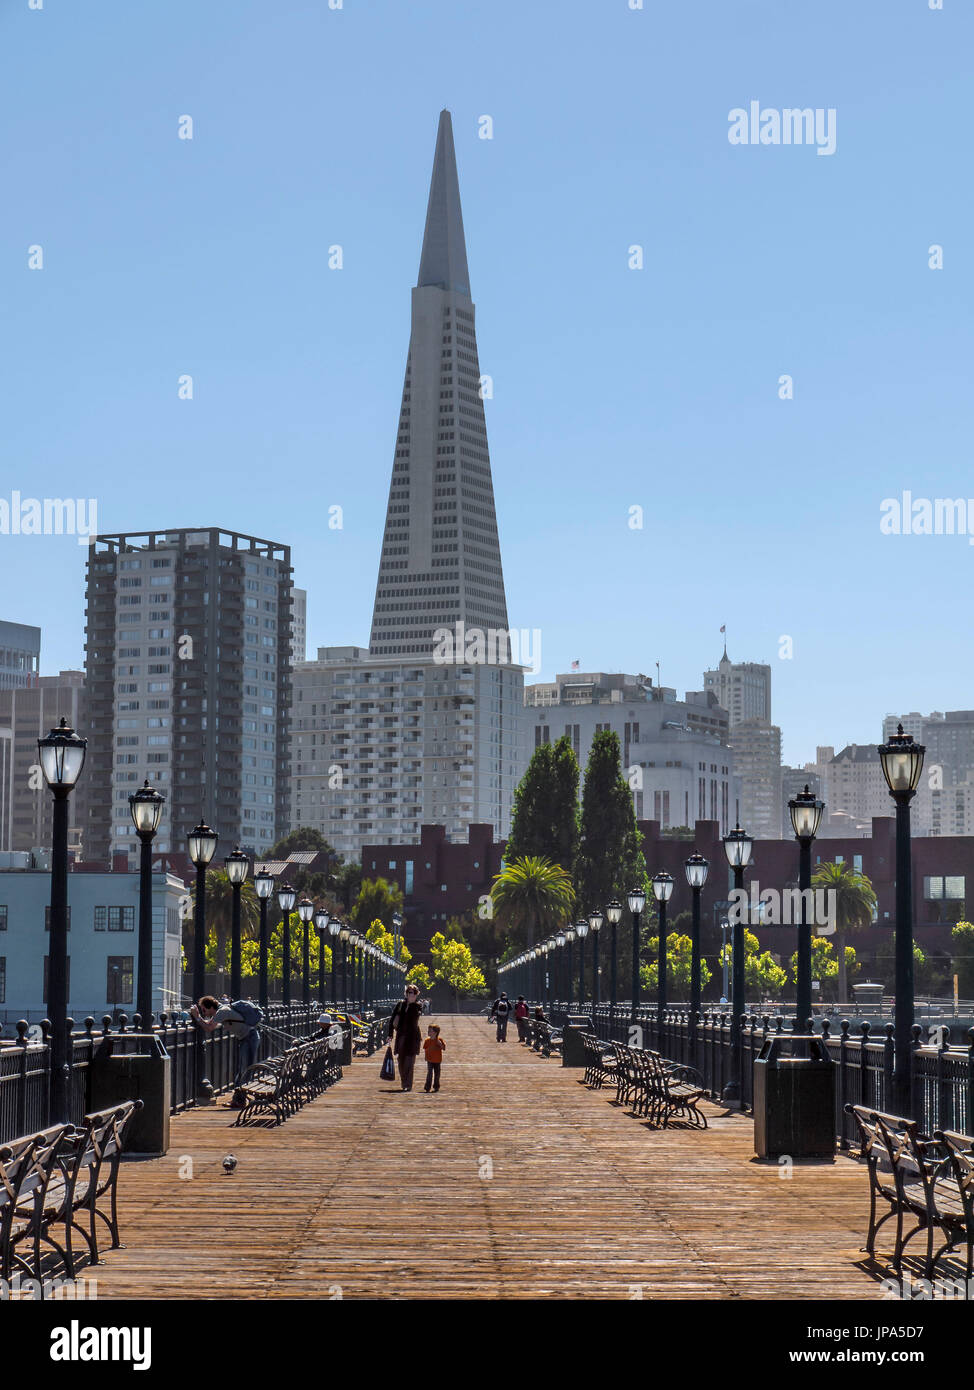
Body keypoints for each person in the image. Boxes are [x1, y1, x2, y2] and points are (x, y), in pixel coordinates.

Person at [191, 995, 261, 1087]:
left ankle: (240, 1096)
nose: (204, 1013)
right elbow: (209, 1024)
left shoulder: (222, 1012)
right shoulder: (221, 1010)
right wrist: (199, 1017)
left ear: (211, 1007)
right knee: (244, 1068)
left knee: (245, 1069)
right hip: (248, 1038)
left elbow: (209, 1027)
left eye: (204, 1010)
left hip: (249, 1038)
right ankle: (240, 1094)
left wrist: (197, 1017)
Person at [387, 984, 423, 1091]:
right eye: (409, 993)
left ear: (416, 995)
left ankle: (408, 1084)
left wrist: (411, 1005)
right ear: (406, 994)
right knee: (401, 1061)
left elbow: (414, 1019)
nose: (411, 995)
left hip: (412, 1038)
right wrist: (390, 1034)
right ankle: (404, 1082)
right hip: (401, 1037)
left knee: (410, 1062)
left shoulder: (417, 1006)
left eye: (413, 993)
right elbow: (392, 1019)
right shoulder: (400, 1005)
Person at [422, 1024, 445, 1092]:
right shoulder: (427, 1040)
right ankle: (427, 1087)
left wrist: (440, 1044)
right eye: (428, 1031)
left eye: (430, 1031)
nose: (428, 1032)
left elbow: (443, 1048)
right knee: (429, 1073)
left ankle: (436, 1086)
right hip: (429, 1060)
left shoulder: (439, 1040)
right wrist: (426, 1057)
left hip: (437, 1060)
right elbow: (425, 1049)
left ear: (435, 1032)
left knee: (437, 1074)